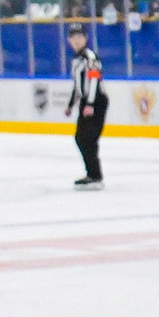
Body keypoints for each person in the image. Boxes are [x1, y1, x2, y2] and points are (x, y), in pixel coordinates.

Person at [63, 21, 106, 190]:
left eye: (80, 37)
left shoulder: (90, 57)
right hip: (85, 102)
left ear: (86, 38)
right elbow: (78, 86)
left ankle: (95, 175)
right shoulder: (76, 60)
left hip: (96, 101)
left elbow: (94, 79)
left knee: (87, 138)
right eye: (73, 37)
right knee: (81, 138)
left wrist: (90, 103)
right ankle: (92, 174)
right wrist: (70, 104)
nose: (76, 41)